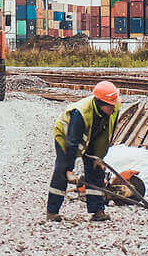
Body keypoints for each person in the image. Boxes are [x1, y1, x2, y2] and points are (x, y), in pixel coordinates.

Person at [48, 80, 121, 222]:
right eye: (110, 105)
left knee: (96, 170)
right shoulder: (80, 113)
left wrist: (98, 158)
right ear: (101, 103)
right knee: (61, 171)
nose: (114, 107)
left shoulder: (114, 109)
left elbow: (106, 135)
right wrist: (69, 170)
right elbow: (72, 142)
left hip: (91, 135)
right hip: (66, 136)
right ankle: (52, 212)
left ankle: (97, 210)